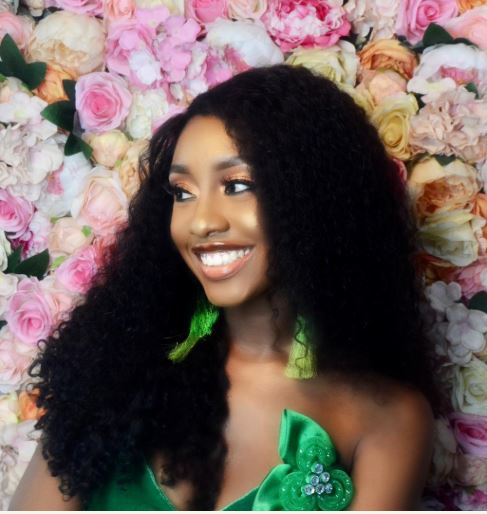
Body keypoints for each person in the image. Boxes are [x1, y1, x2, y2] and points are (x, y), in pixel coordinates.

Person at [9, 64, 443, 511]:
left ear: (314, 198)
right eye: (182, 193)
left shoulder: (390, 419)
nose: (201, 222)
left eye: (236, 185)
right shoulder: (111, 366)